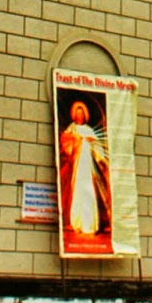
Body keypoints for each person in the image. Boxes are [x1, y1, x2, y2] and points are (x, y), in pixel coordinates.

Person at [59, 99, 111, 238]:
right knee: (79, 190)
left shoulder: (89, 130)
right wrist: (77, 140)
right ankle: (78, 223)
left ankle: (90, 224)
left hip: (87, 165)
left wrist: (92, 144)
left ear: (84, 115)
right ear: (75, 115)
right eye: (78, 113)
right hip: (77, 163)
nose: (80, 116)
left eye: (82, 114)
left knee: (89, 191)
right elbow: (65, 141)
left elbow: (97, 146)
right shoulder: (72, 128)